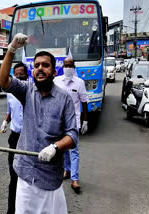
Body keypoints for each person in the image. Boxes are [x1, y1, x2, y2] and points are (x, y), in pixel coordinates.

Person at [0, 33, 79, 214]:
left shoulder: (64, 98)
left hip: (50, 177)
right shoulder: (27, 90)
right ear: (32, 71)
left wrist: (55, 147)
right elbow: (3, 82)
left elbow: (72, 135)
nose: (40, 68)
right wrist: (11, 50)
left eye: (45, 65)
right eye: (36, 66)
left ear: (54, 71)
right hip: (25, 173)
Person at [54, 57, 89, 193]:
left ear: (74, 67)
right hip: (59, 121)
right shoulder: (56, 81)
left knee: (74, 150)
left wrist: (85, 120)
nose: (68, 68)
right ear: (63, 67)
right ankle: (67, 170)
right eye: (66, 65)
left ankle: (75, 179)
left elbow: (84, 101)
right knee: (63, 149)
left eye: (70, 66)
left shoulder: (80, 83)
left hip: (74, 121)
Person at [0, 62, 29, 214]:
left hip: (29, 138)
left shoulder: (31, 91)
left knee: (29, 175)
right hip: (14, 137)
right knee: (14, 174)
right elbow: (10, 110)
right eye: (16, 74)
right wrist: (6, 121)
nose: (18, 76)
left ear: (27, 74)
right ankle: (11, 210)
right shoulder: (10, 92)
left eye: (21, 74)